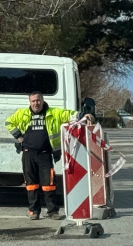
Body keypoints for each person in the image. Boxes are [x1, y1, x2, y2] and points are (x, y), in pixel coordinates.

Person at [5, 92, 88, 220]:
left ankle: (53, 212)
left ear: (42, 101)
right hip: (28, 154)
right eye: (33, 101)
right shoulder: (22, 114)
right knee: (31, 184)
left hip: (45, 155)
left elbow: (70, 114)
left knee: (49, 184)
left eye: (38, 100)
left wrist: (84, 115)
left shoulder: (53, 113)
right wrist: (18, 136)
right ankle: (34, 211)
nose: (35, 103)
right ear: (30, 102)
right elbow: (9, 122)